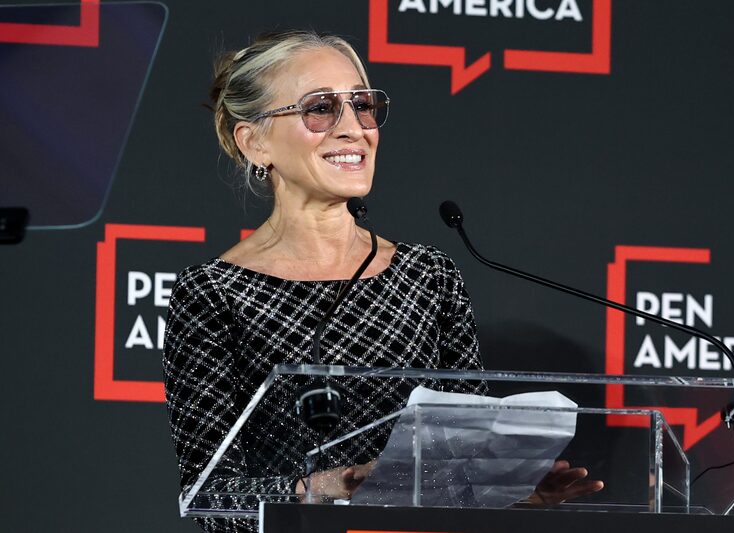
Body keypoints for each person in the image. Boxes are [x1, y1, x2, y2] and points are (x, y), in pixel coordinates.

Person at [163, 30, 601, 533]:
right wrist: (325, 489)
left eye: (364, 106)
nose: (354, 129)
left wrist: (507, 491)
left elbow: (467, 462)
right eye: (321, 108)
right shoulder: (213, 294)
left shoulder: (429, 275)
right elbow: (212, 497)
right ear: (254, 140)